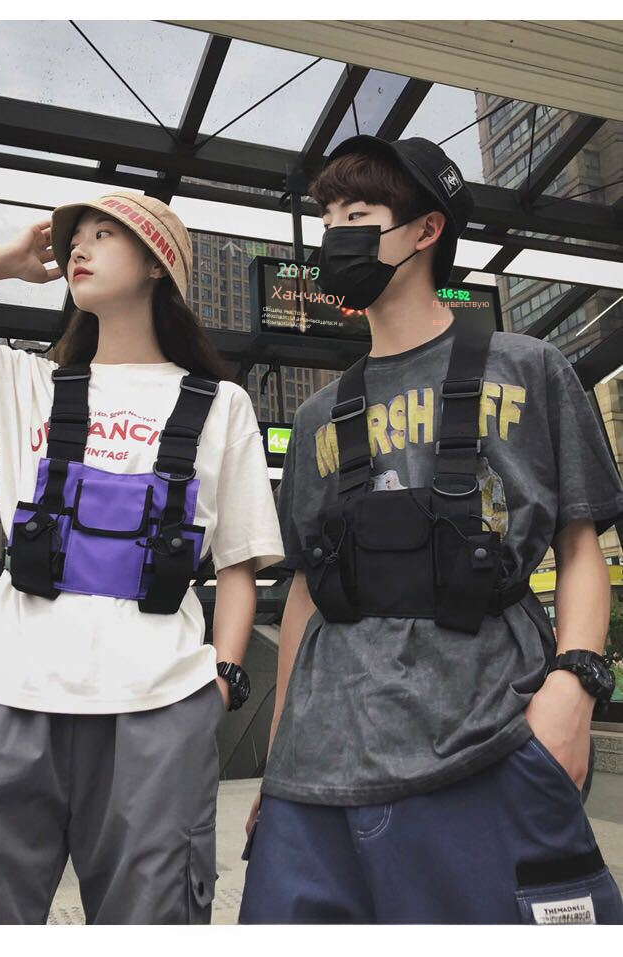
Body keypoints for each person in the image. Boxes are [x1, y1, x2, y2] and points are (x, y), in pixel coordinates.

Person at [238, 135, 623, 924]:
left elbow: (579, 547)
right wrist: (276, 766)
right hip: (315, 778)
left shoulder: (530, 367)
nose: (334, 233)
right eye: (327, 217)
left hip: (488, 745)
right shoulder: (316, 417)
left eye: (358, 213)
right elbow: (307, 596)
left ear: (426, 229)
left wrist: (574, 687)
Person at [0, 190, 285, 924]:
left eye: (104, 235)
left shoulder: (221, 405)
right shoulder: (25, 382)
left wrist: (220, 683)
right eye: (75, 239)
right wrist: (7, 260)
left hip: (158, 704)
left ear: (159, 265)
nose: (79, 250)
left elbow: (238, 564)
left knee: (153, 921)